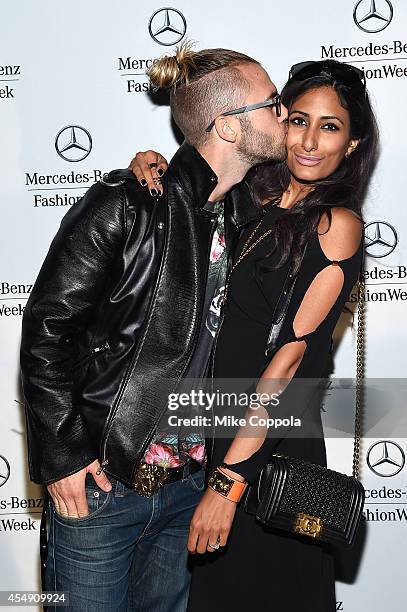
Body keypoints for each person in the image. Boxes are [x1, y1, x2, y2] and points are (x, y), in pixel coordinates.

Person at [20, 43, 288, 612]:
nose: (285, 115)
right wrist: (64, 456)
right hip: (104, 489)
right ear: (229, 127)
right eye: (273, 104)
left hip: (189, 490)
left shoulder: (247, 221)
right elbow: (48, 331)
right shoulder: (128, 204)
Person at [130, 59, 378, 611]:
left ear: (354, 143)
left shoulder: (335, 225)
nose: (309, 140)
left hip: (268, 456)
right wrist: (153, 167)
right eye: (297, 119)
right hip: (214, 440)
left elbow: (286, 365)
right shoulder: (253, 201)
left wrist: (229, 484)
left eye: (331, 126)